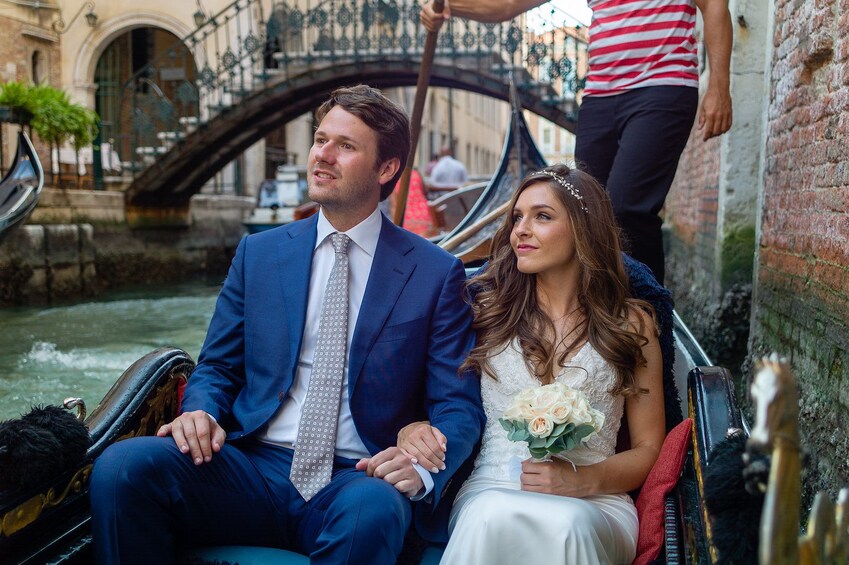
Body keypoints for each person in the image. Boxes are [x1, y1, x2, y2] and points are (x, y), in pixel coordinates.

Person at [89, 85, 484, 565]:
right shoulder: (259, 253)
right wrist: (202, 412)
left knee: (374, 510)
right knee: (121, 467)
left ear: (386, 169)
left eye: (346, 146)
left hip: (356, 475)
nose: (322, 155)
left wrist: (421, 470)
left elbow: (458, 408)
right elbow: (217, 367)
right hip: (251, 465)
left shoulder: (435, 272)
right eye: (320, 139)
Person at [399, 164, 666, 564]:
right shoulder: (483, 313)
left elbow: (649, 447)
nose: (520, 229)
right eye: (517, 217)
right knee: (488, 516)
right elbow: (436, 395)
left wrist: (585, 480)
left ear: (583, 230)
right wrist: (413, 425)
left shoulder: (631, 325)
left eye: (542, 216)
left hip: (596, 500)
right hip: (491, 489)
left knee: (568, 524)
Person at [421, 0, 733, 284]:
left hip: (663, 84)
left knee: (626, 210)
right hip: (600, 95)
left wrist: (718, 85)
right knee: (586, 209)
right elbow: (508, 5)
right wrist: (448, 6)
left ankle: (648, 313)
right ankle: (597, 310)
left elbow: (714, 5)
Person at [389, 168, 435, 237]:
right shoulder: (416, 173)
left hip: (407, 217)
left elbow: (394, 204)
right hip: (424, 212)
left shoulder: (394, 177)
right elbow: (425, 191)